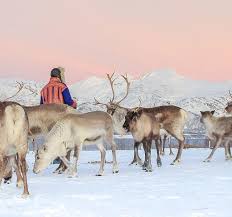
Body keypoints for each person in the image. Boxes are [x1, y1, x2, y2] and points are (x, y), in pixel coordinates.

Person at [40, 67, 77, 164]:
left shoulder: (43, 89)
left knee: (52, 138)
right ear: (59, 76)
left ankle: (54, 158)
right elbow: (69, 102)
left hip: (48, 119)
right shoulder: (62, 87)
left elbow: (41, 106)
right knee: (63, 138)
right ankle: (63, 159)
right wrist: (75, 104)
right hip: (61, 117)